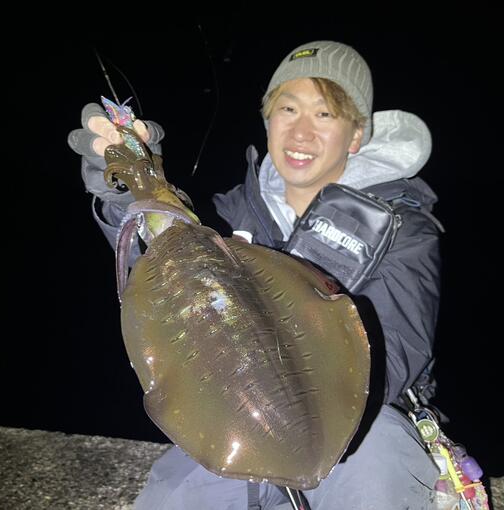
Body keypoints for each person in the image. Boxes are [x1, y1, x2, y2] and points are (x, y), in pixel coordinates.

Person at [69, 40, 443, 509]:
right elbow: (162, 272)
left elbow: (395, 353)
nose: (301, 132)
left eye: (324, 114)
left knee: (379, 466)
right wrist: (128, 194)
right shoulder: (229, 214)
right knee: (176, 494)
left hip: (356, 423)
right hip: (239, 420)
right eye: (288, 109)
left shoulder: (405, 228)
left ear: (355, 135)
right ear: (268, 120)